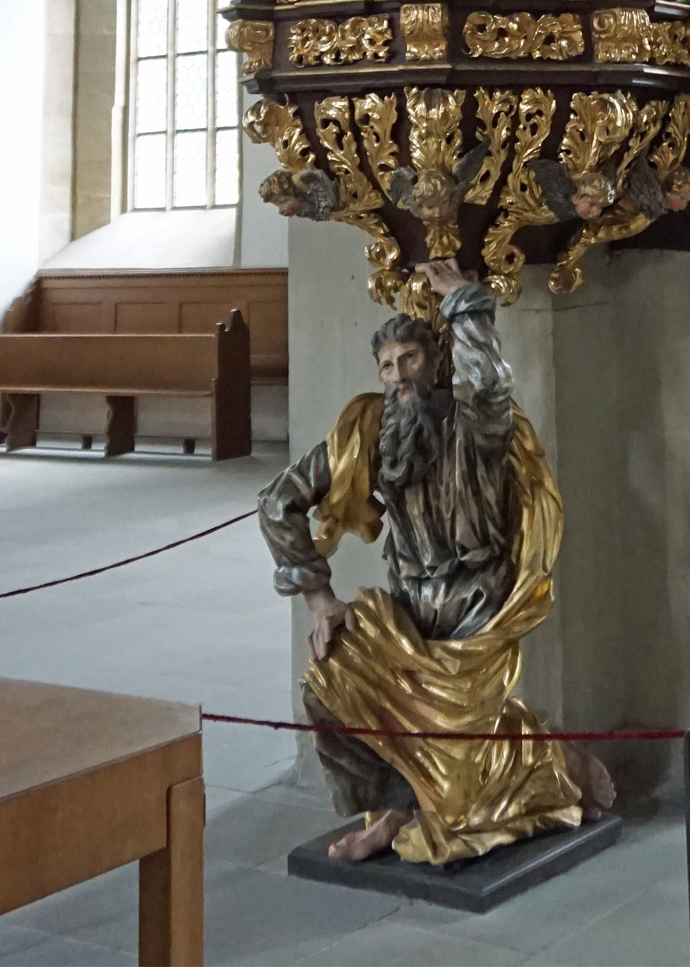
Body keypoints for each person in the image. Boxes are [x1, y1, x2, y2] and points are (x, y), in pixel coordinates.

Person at [257, 262, 613, 865]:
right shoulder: (373, 433)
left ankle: (552, 763)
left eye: (411, 360)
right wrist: (321, 600)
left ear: (437, 362)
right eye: (387, 366)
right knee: (331, 674)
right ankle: (395, 807)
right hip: (409, 613)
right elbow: (277, 503)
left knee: (456, 808)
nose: (399, 377)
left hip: (478, 610)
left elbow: (491, 387)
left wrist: (465, 305)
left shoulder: (475, 429)